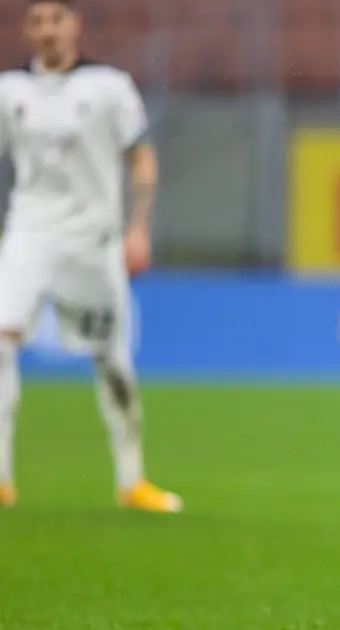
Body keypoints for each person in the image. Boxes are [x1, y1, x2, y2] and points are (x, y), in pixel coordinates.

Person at [0, 0, 181, 513]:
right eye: (36, 21)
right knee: (1, 341)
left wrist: (137, 228)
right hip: (29, 233)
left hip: (94, 242)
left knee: (113, 363)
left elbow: (141, 158)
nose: (46, 30)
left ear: (75, 25)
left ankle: (131, 481)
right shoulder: (9, 91)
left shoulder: (109, 87)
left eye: (55, 20)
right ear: (27, 30)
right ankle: (1, 479)